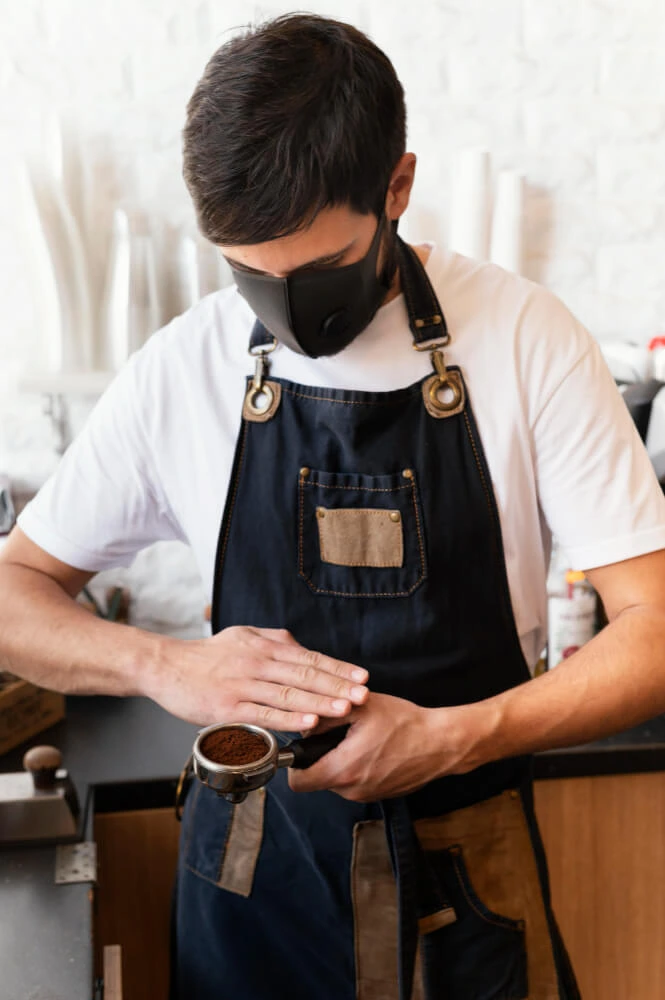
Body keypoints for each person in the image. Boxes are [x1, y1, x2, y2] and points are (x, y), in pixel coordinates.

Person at [2, 13, 665, 1000]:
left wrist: (456, 734)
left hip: (464, 871)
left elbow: (654, 631)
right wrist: (165, 666)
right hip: (246, 873)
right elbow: (14, 592)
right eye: (248, 276)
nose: (283, 308)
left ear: (395, 187)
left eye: (316, 272)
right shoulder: (183, 368)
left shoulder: (524, 340)